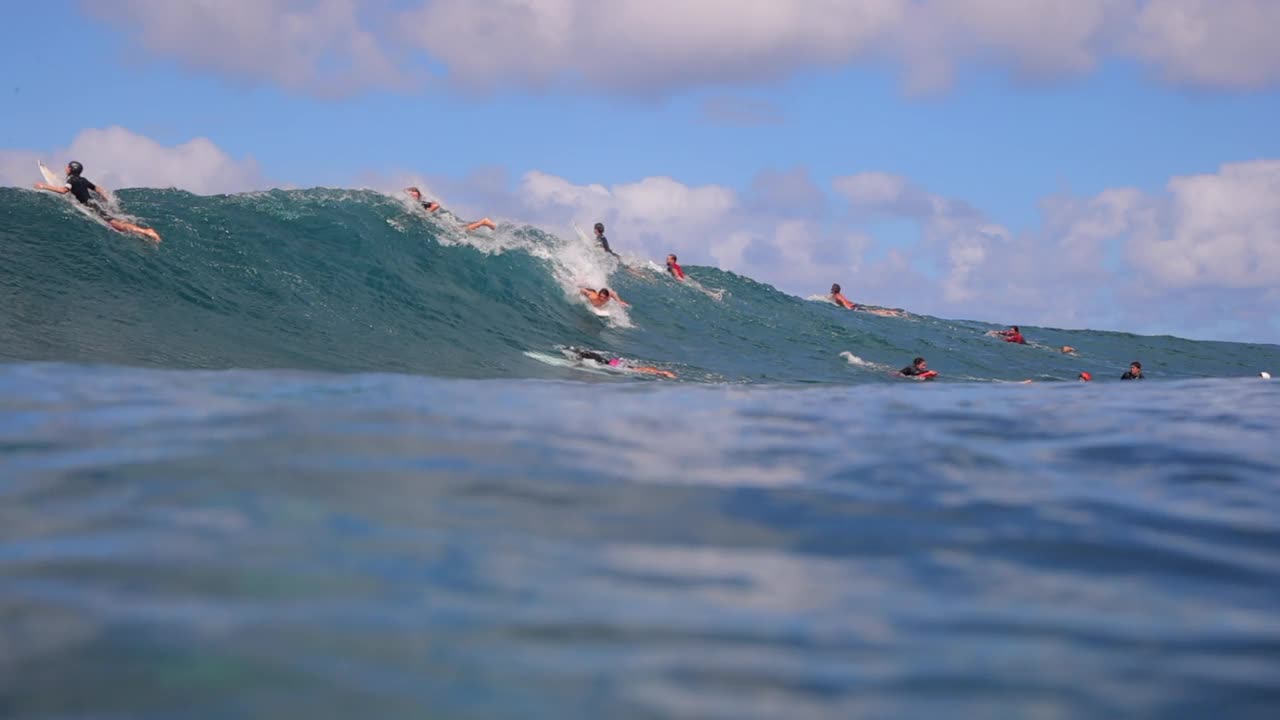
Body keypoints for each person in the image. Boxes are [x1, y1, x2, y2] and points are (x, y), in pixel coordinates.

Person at [33, 161, 160, 242]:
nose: (65, 168)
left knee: (116, 225)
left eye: (67, 167)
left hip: (90, 206)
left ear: (71, 169)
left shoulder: (72, 181)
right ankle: (142, 233)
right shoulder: (83, 180)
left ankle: (146, 231)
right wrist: (106, 199)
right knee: (114, 222)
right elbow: (97, 189)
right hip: (93, 203)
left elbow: (62, 190)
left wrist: (43, 186)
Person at [405, 187, 496, 231]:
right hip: (441, 221)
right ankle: (483, 223)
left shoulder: (421, 203)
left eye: (413, 194)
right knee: (463, 229)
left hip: (443, 221)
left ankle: (483, 222)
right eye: (411, 194)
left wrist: (426, 213)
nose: (411, 196)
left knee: (461, 231)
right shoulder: (417, 203)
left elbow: (436, 205)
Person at [571, 348, 676, 379]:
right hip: (615, 365)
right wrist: (664, 373)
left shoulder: (636, 368)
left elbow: (650, 370)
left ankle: (581, 354)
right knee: (600, 360)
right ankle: (581, 355)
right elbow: (650, 371)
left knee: (600, 360)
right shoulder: (637, 370)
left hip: (616, 363)